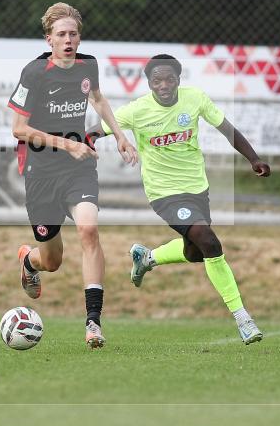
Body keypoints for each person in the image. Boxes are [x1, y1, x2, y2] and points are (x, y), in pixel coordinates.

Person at [88, 54, 268, 345]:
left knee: (197, 252)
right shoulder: (137, 111)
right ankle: (243, 318)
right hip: (164, 193)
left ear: (178, 80)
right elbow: (97, 130)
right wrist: (83, 142)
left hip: (197, 189)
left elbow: (227, 130)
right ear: (148, 83)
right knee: (210, 242)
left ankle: (148, 258)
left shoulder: (194, 99)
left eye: (169, 79)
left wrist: (254, 159)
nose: (163, 85)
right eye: (156, 80)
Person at [7, 2, 137, 349]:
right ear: (48, 38)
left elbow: (97, 98)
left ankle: (93, 322)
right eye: (61, 34)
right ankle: (28, 260)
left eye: (73, 34)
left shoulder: (88, 65)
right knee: (52, 261)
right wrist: (66, 144)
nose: (68, 40)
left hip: (79, 168)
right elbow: (18, 129)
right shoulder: (34, 73)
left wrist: (121, 136)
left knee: (89, 230)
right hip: (41, 173)